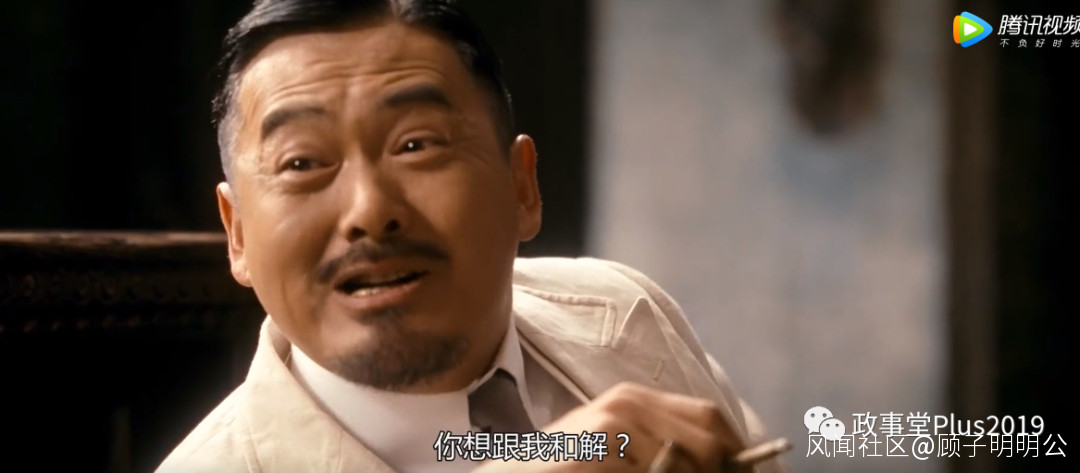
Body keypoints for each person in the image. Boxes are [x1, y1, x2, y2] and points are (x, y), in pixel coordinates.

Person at [156, 1, 783, 472]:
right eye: (302, 163)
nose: (369, 211)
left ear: (522, 187)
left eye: (416, 145)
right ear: (238, 234)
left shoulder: (622, 309)